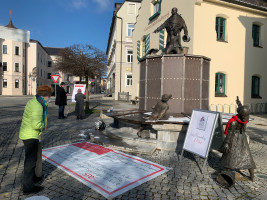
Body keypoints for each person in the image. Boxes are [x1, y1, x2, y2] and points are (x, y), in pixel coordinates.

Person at [19, 85, 53, 194]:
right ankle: (28, 187)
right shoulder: (38, 105)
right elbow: (35, 124)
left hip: (27, 133)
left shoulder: (33, 101)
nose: (50, 97)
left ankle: (32, 179)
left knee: (30, 159)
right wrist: (43, 124)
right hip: (31, 135)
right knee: (30, 161)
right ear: (46, 95)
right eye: (50, 95)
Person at [219, 96, 256, 181]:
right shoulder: (233, 122)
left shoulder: (243, 118)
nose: (247, 118)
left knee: (247, 157)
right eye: (246, 116)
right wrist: (226, 143)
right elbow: (229, 134)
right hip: (234, 139)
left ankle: (252, 176)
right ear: (242, 115)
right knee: (230, 156)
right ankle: (226, 173)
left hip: (242, 139)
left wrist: (238, 102)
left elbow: (240, 107)